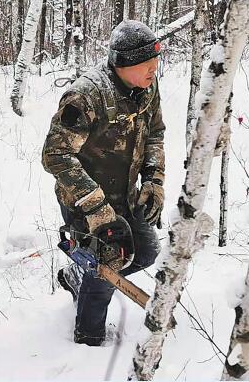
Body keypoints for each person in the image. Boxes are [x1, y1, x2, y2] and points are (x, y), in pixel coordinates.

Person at [42, 20, 166, 346]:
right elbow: (56, 155)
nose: (154, 71)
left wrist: (153, 180)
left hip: (125, 194)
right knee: (106, 266)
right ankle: (88, 340)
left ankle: (78, 275)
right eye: (147, 65)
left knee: (147, 252)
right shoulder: (85, 97)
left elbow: (155, 134)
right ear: (123, 65)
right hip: (84, 199)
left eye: (156, 64)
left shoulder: (147, 89)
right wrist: (95, 206)